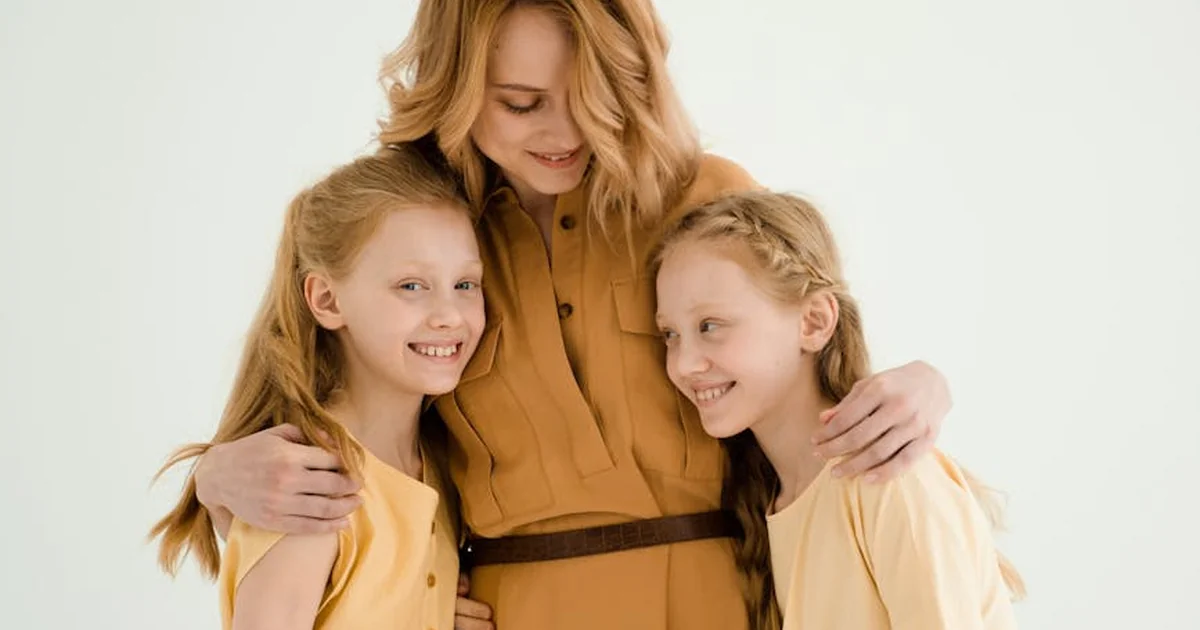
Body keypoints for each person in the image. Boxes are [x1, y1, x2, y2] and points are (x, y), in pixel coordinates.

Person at [189, 2, 955, 628]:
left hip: (723, 599)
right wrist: (214, 477)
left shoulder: (703, 197)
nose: (565, 134)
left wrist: (927, 387)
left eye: (596, 98)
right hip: (512, 608)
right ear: (454, 84)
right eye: (521, 104)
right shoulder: (423, 228)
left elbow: (809, 372)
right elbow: (337, 418)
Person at [653, 190, 1025, 630]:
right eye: (670, 335)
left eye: (710, 326)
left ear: (813, 322)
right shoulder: (774, 502)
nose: (683, 364)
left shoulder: (887, 481)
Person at [149, 143, 484, 629]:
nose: (449, 315)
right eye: (411, 286)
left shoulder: (436, 469)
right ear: (327, 300)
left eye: (466, 284)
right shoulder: (306, 489)